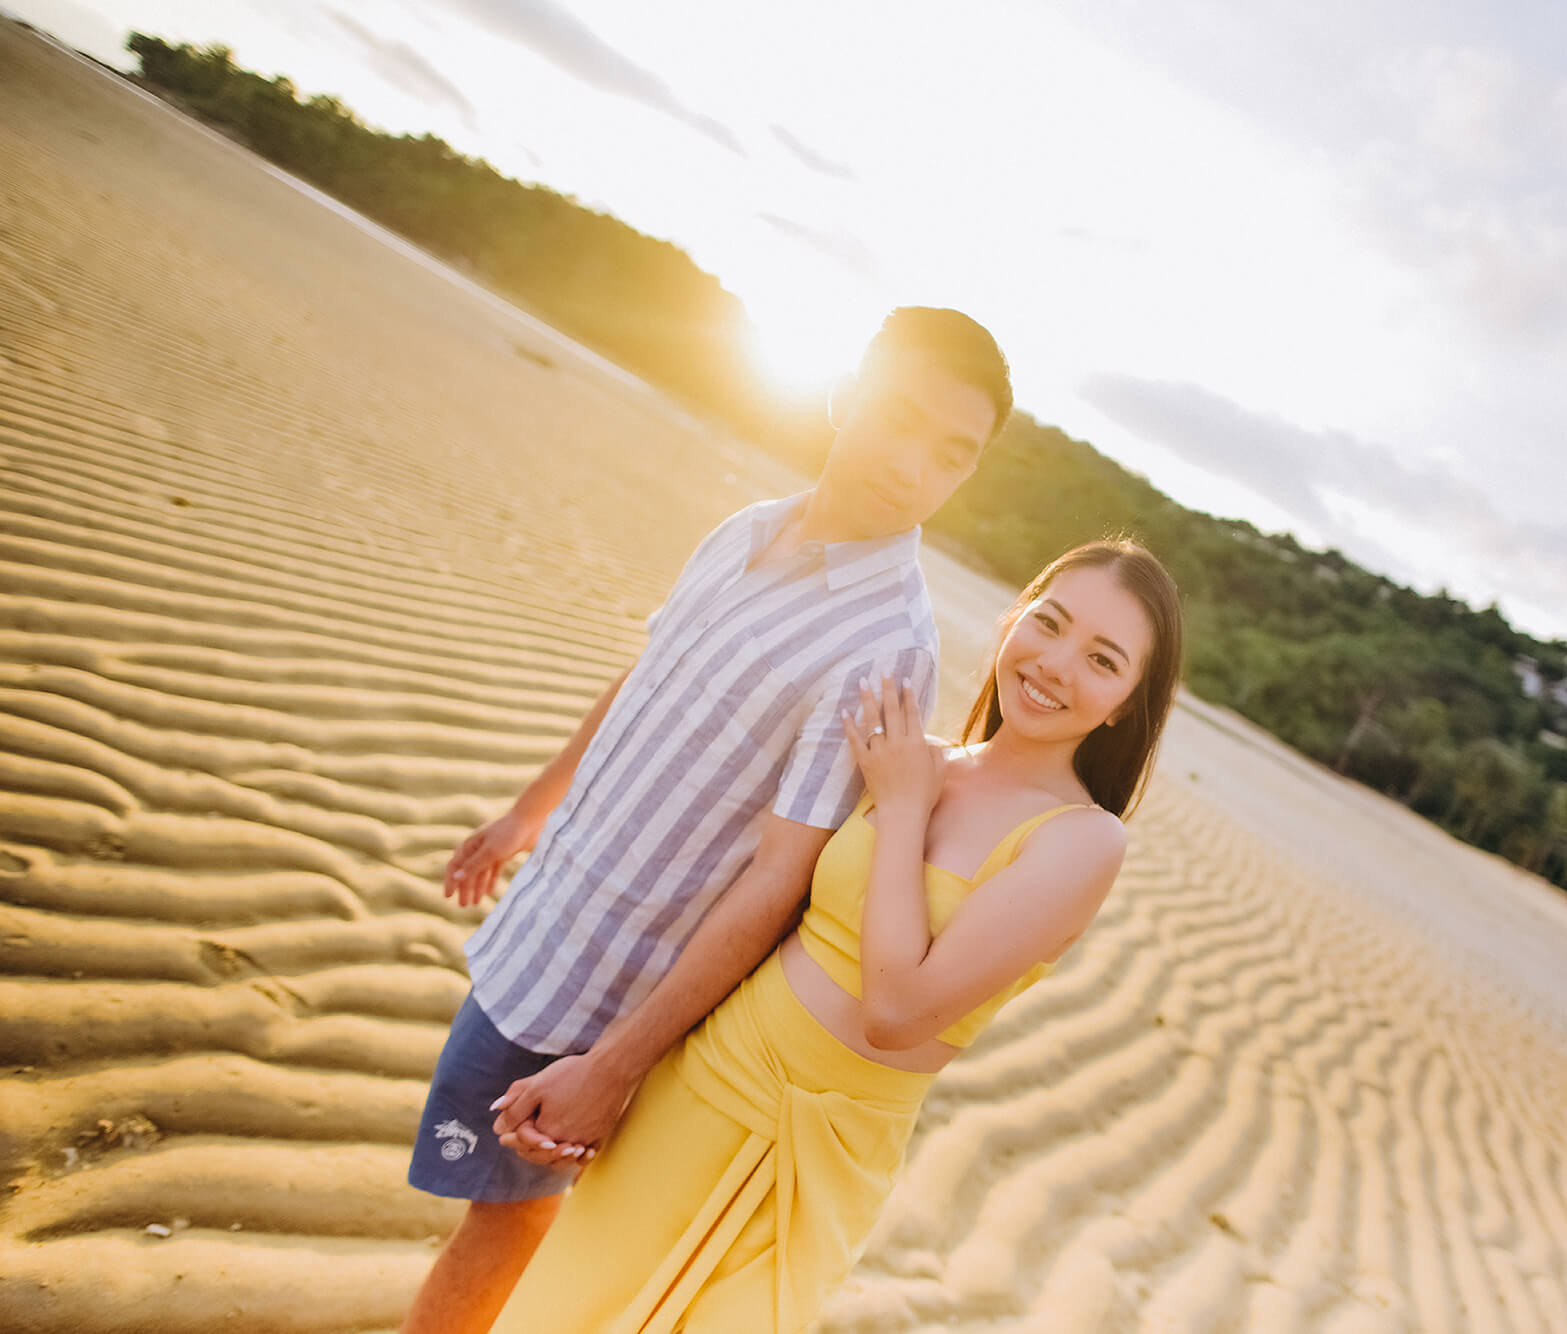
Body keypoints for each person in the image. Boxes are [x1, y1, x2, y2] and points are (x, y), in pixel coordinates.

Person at [398, 307, 1013, 1334]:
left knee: (499, 1238)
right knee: (502, 1228)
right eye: (899, 417)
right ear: (842, 392)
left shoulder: (884, 648)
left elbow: (780, 879)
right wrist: (525, 813)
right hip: (539, 932)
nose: (913, 466)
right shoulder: (743, 528)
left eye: (949, 455)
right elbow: (645, 677)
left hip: (602, 1002)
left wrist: (613, 1067)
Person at [485, 539, 1184, 1333]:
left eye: (1102, 659)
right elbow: (757, 888)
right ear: (1014, 617)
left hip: (823, 1154)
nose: (1056, 663)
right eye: (1049, 623)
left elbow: (896, 1011)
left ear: (1127, 701)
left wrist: (905, 810)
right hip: (704, 1081)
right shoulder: (913, 760)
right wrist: (613, 1068)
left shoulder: (1081, 840)